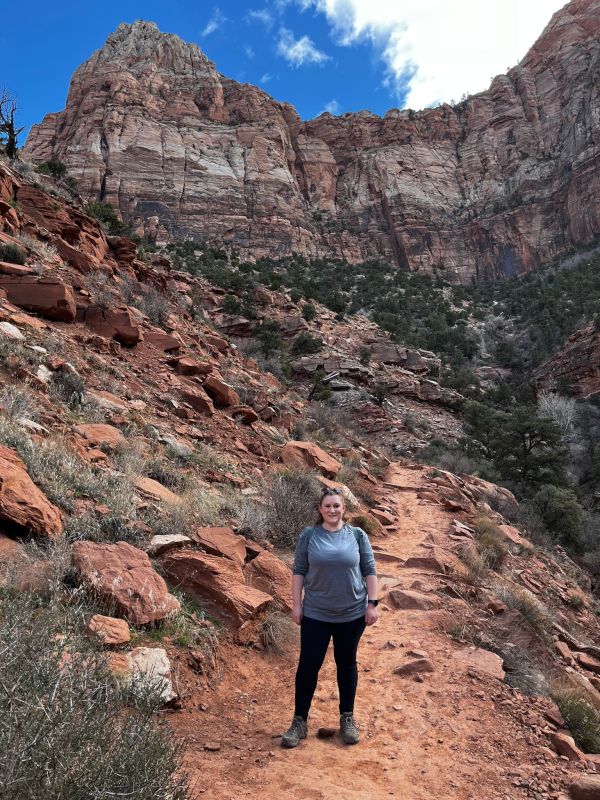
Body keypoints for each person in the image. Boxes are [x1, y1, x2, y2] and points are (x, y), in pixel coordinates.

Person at [281, 486, 378, 748]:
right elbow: (299, 571)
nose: (332, 510)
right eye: (327, 506)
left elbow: (369, 570)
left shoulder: (357, 535)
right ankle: (299, 721)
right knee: (309, 664)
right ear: (320, 509)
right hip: (316, 613)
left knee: (346, 664)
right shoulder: (309, 536)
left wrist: (372, 603)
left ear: (343, 508)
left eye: (336, 506)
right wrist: (296, 605)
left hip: (352, 613)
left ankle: (347, 718)